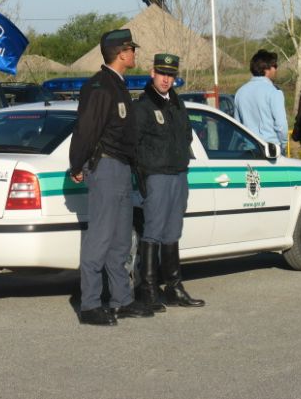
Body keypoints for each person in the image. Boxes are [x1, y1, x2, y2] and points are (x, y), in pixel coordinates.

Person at [69, 29, 153, 326]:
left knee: (119, 240)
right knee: (100, 238)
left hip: (121, 168)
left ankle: (122, 299)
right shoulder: (100, 87)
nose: (135, 54)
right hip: (104, 167)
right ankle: (91, 304)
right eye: (132, 49)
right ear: (121, 52)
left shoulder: (117, 85)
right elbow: (86, 129)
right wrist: (76, 163)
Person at [134, 54, 205, 312]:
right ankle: (149, 289)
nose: (166, 79)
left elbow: (186, 133)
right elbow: (135, 144)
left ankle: (174, 287)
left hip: (178, 174)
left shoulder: (177, 103)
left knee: (173, 231)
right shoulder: (142, 106)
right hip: (156, 175)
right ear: (152, 72)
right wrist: (145, 173)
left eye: (171, 75)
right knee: (153, 230)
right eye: (162, 73)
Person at [234, 49, 288, 153]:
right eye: (275, 66)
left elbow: (237, 127)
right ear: (266, 69)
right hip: (271, 151)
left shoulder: (240, 93)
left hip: (248, 151)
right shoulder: (274, 92)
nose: (276, 70)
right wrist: (282, 145)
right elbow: (281, 126)